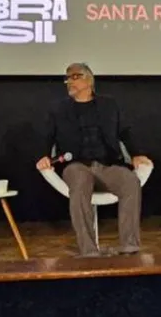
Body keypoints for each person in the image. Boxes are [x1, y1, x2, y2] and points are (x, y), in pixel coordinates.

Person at [35, 62, 152, 257]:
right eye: (67, 78)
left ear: (89, 80)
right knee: (80, 182)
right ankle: (88, 250)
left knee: (130, 181)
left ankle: (129, 246)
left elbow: (125, 132)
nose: (69, 82)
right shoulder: (59, 109)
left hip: (107, 164)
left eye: (74, 77)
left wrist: (135, 154)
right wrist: (43, 156)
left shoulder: (109, 105)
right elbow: (46, 136)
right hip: (76, 165)